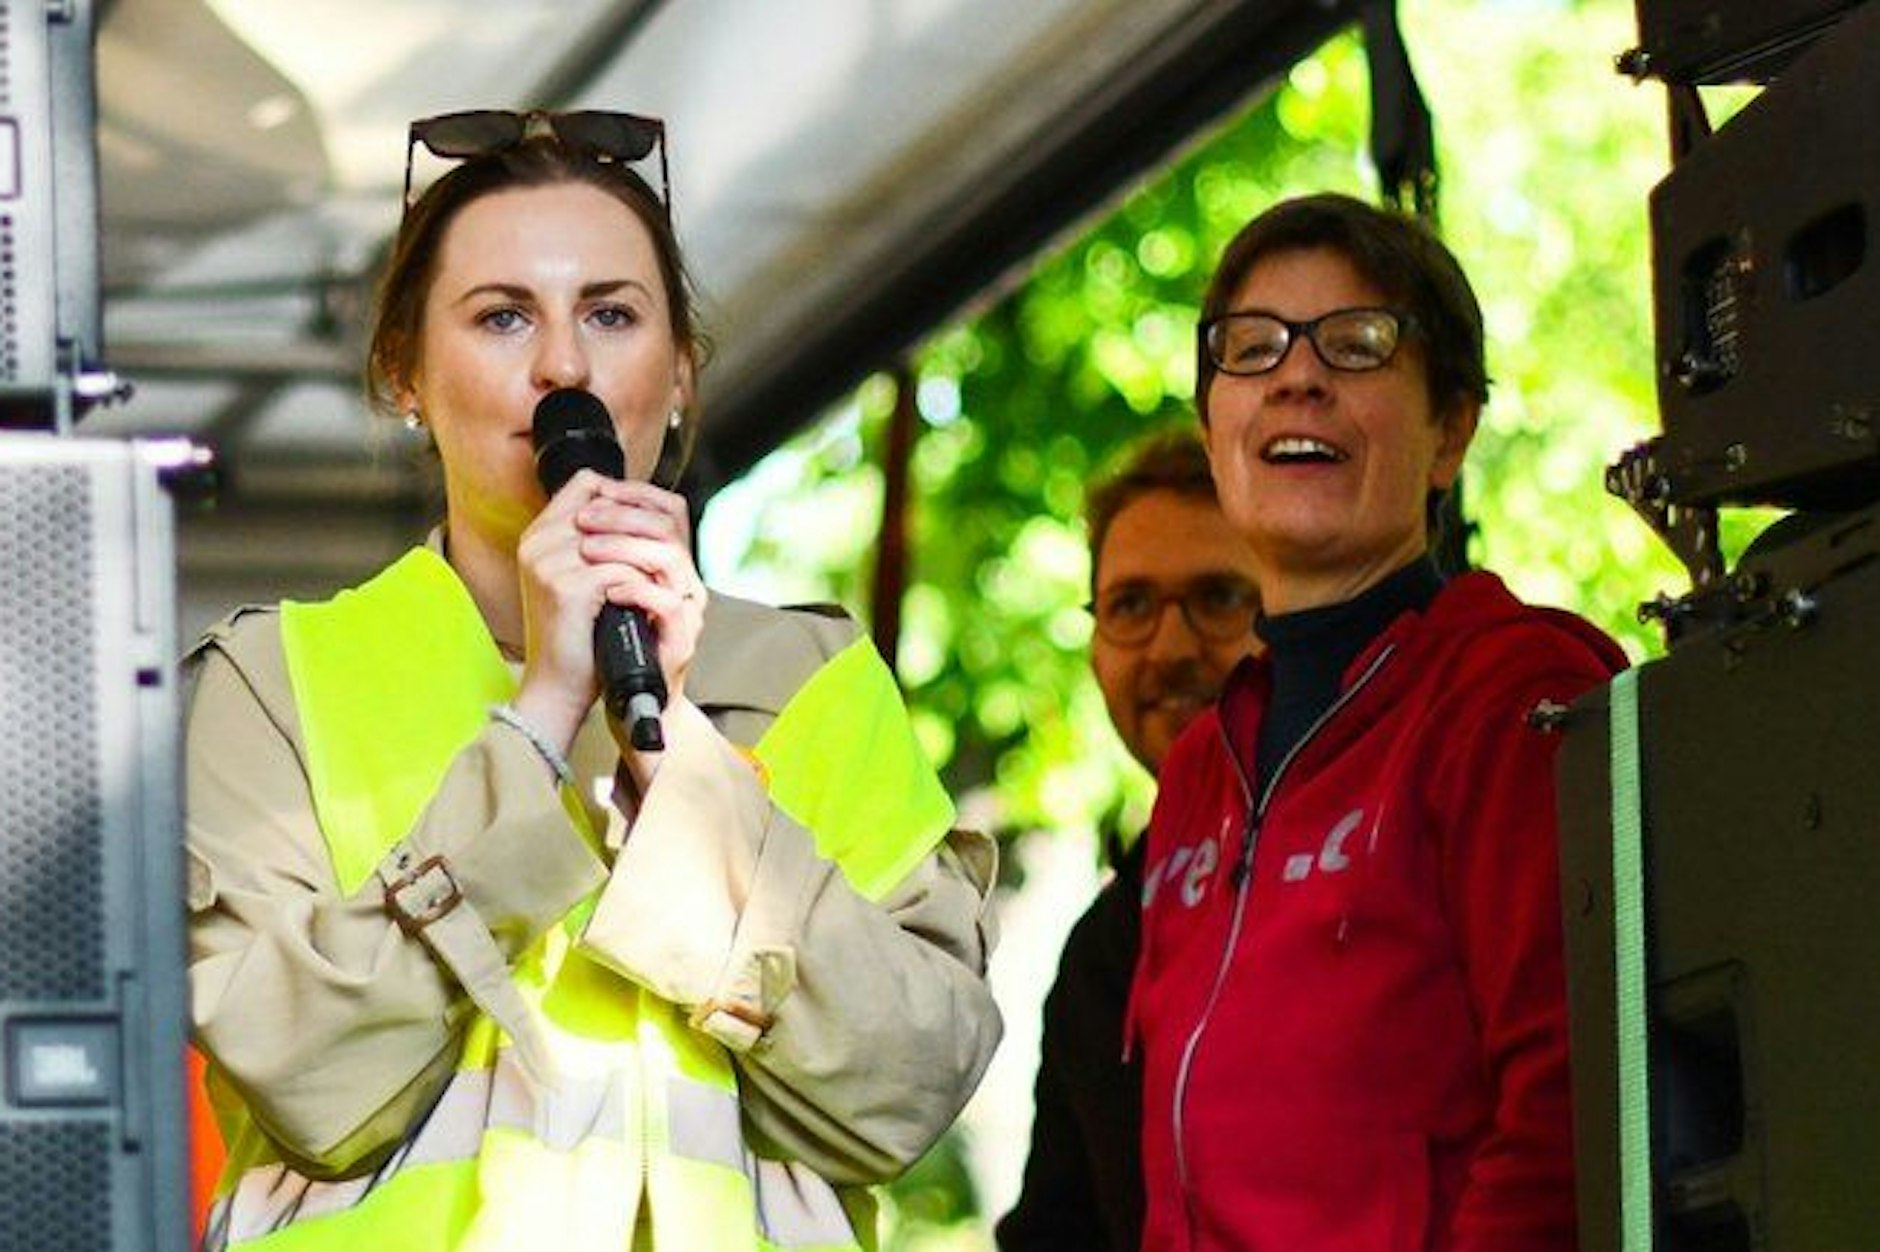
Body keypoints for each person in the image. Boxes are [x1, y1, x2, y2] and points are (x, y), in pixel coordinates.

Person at [183, 109, 1001, 1252]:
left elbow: (909, 1087)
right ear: (403, 374)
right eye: (503, 315)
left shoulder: (815, 679)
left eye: (611, 314)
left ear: (677, 376)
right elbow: (301, 1078)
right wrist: (541, 723)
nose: (562, 364)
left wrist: (683, 779)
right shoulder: (271, 683)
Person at [1127, 192, 1627, 1251]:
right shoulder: (1194, 773)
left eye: (1357, 346)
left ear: (1450, 432)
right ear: (1214, 432)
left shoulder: (1510, 692)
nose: (1296, 377)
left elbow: (1568, 1114)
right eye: (1251, 350)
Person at [995, 431, 1260, 1252]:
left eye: (1218, 598)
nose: (1172, 648)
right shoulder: (1104, 953)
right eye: (1132, 606)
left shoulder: (1372, 860)